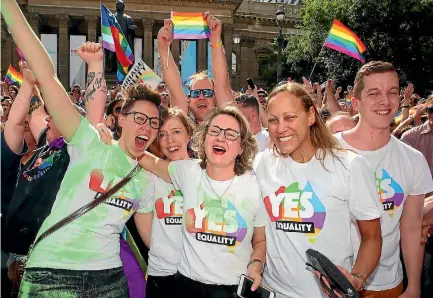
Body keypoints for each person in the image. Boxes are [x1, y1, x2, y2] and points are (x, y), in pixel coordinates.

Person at [2, 3, 159, 296]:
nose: (147, 127)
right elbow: (47, 78)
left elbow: (154, 240)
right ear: (121, 119)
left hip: (109, 279)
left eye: (154, 123)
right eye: (139, 118)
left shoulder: (145, 179)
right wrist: (8, 6)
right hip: (51, 273)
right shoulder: (89, 140)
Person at [254, 82, 382, 298]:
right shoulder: (262, 163)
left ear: (311, 116)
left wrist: (356, 280)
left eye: (290, 117)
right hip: (272, 292)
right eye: (273, 120)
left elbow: (372, 237)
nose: (280, 127)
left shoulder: (349, 166)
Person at [136, 105, 267, 297]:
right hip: (186, 287)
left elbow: (261, 239)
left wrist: (256, 265)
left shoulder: (253, 185)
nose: (220, 137)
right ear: (204, 139)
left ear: (241, 147)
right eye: (214, 131)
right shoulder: (188, 172)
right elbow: (152, 162)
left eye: (230, 134)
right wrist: (109, 138)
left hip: (231, 289)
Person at [336, 61, 433, 297]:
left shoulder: (413, 159)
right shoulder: (328, 152)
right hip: (332, 282)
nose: (385, 101)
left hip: (388, 285)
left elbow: (411, 227)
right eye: (374, 93)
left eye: (392, 92)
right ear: (355, 102)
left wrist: (414, 288)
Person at [156, 13, 233, 124]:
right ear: (189, 101)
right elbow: (175, 91)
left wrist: (215, 38)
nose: (201, 97)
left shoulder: (227, 122)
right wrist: (164, 49)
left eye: (207, 93)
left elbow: (222, 85)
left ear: (216, 99)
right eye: (195, 93)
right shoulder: (182, 127)